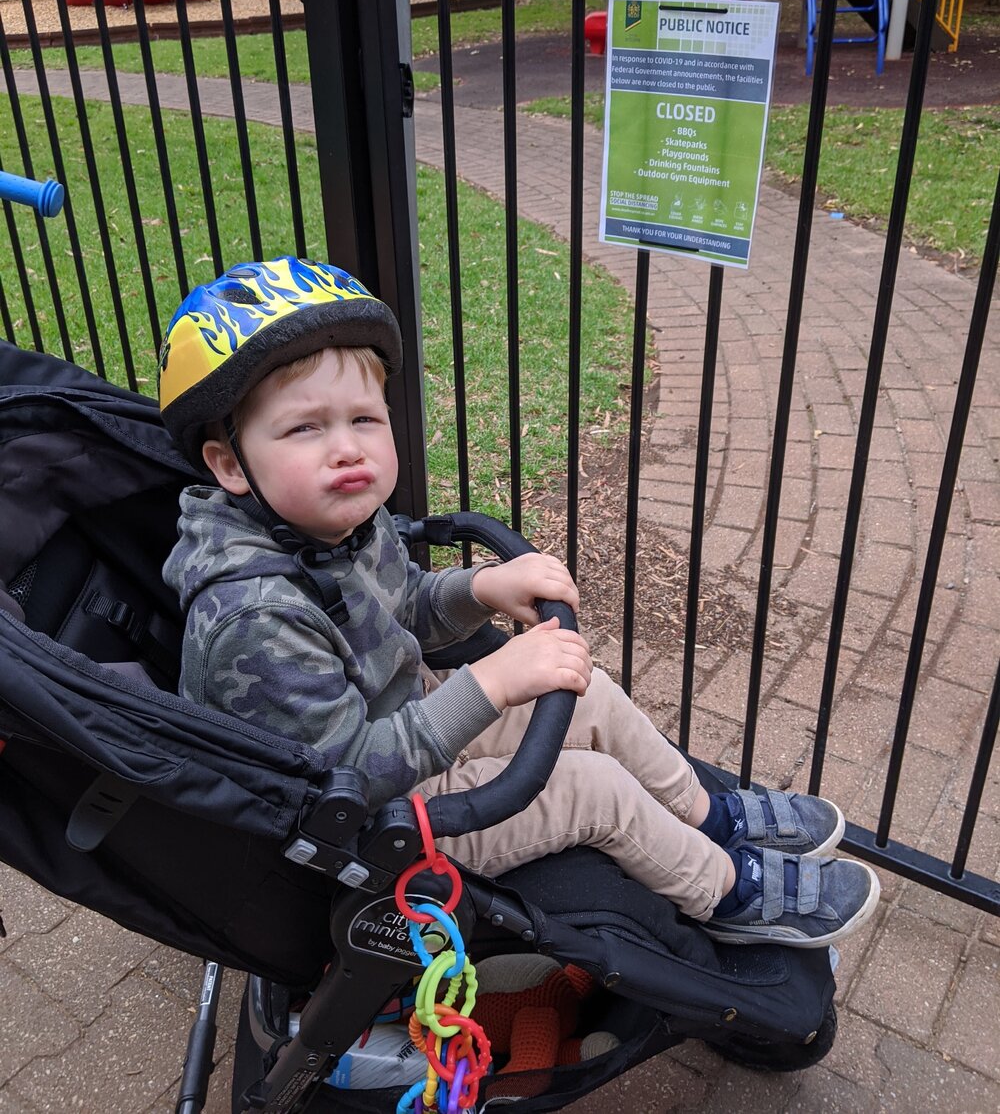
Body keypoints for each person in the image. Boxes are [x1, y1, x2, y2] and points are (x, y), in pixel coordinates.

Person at [159, 256, 880, 948]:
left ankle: (709, 815)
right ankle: (726, 891)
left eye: (364, 419)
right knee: (589, 787)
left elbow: (402, 605)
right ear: (229, 463)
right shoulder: (256, 618)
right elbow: (347, 774)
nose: (347, 449)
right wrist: (495, 681)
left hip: (409, 729)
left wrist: (479, 587)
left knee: (586, 691)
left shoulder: (329, 520)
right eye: (304, 427)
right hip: (370, 828)